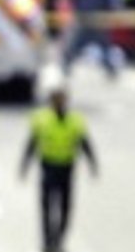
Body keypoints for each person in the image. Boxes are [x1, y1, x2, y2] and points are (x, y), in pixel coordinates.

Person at [20, 89, 98, 252]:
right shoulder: (41, 119)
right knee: (47, 207)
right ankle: (47, 241)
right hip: (48, 167)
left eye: (62, 100)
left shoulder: (75, 120)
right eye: (56, 101)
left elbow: (84, 142)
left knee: (65, 207)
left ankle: (59, 239)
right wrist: (25, 165)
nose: (59, 104)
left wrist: (92, 164)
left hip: (67, 168)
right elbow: (32, 143)